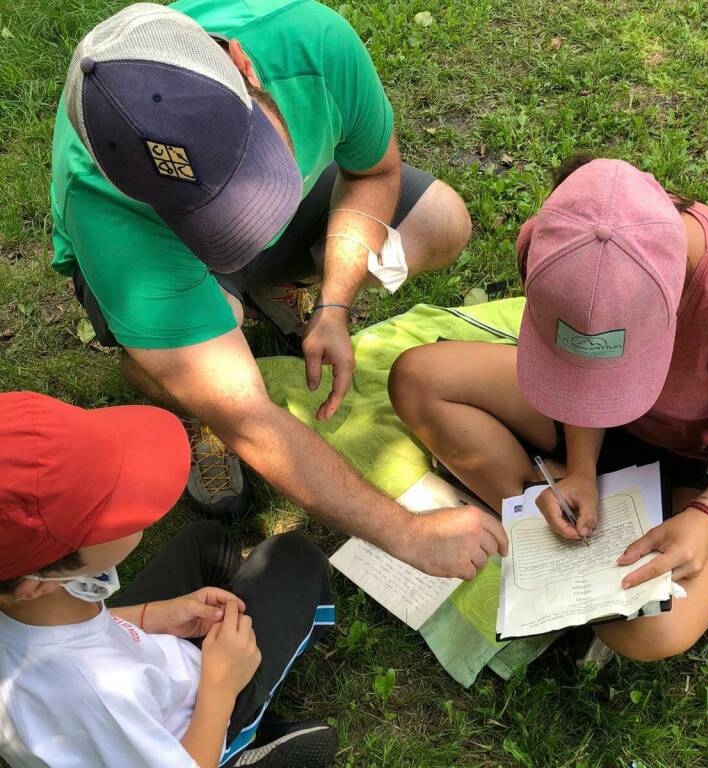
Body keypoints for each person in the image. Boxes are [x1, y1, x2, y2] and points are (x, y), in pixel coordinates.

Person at [49, 1, 506, 580]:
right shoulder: (105, 207)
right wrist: (408, 532)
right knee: (195, 376)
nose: (248, 233)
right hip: (157, 260)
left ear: (243, 64)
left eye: (252, 166)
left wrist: (336, 303)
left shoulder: (309, 42)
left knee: (439, 221)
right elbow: (248, 417)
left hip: (251, 216)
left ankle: (269, 292)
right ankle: (190, 395)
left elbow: (374, 172)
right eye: (215, 215)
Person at [389, 156, 708, 661]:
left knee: (653, 632)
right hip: (597, 425)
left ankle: (554, 522)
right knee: (418, 379)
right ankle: (539, 510)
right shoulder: (556, 246)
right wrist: (583, 470)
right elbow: (578, 371)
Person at [0, 391, 337, 768]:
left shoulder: (30, 605)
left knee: (204, 541)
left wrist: (154, 615)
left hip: (145, 676)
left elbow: (77, 637)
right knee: (296, 559)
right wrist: (220, 685)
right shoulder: (98, 691)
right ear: (38, 582)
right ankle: (237, 750)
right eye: (113, 505)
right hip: (191, 731)